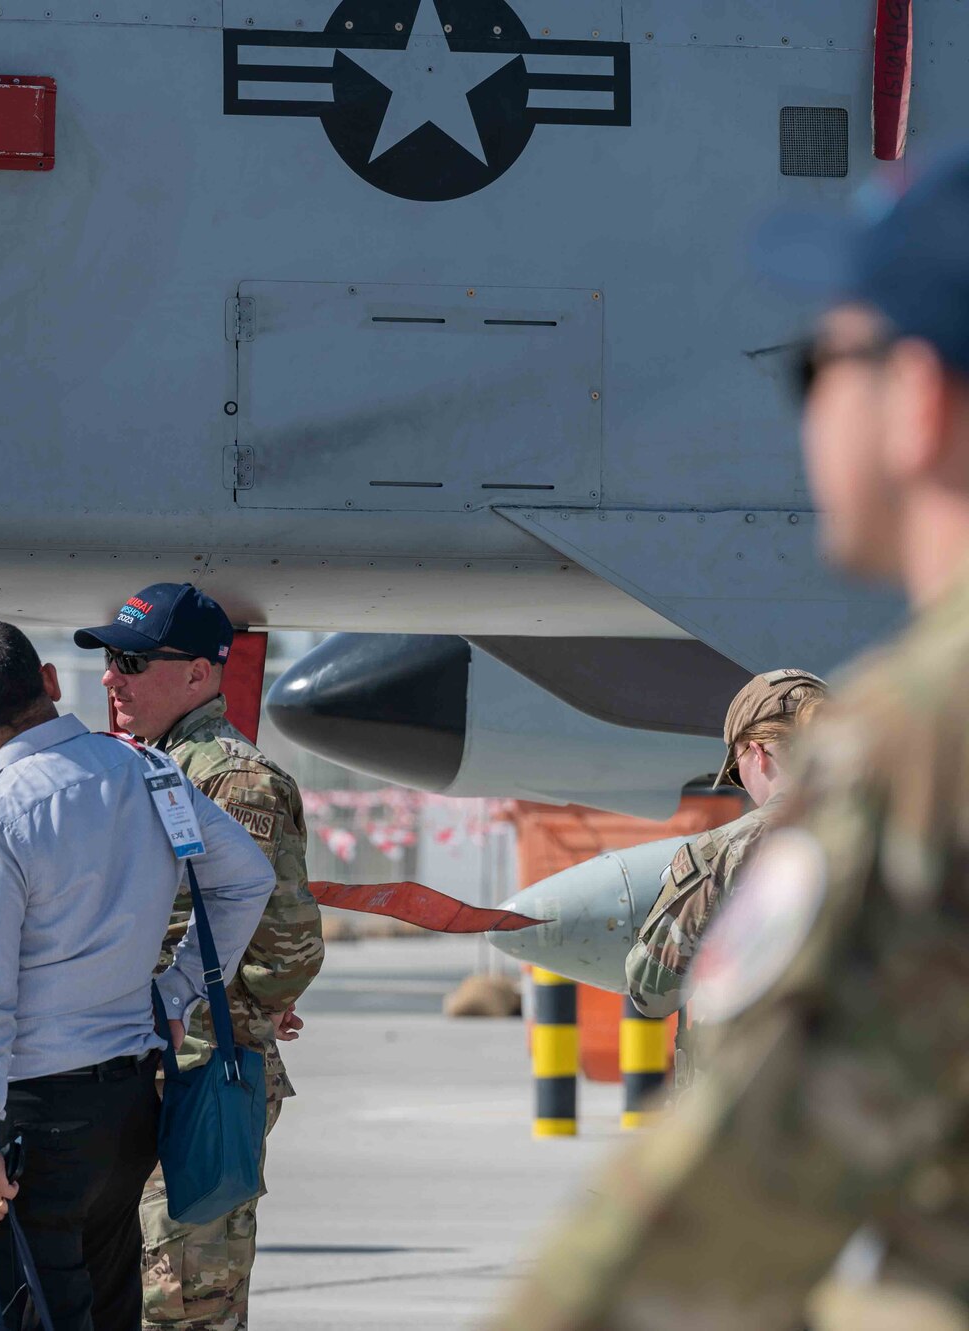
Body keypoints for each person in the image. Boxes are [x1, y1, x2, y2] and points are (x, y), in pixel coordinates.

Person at [492, 151, 969, 1329]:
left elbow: (735, 1195)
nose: (804, 407)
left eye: (817, 364)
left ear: (913, 399)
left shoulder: (921, 733)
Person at [0, 620, 276, 1331]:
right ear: (52, 684)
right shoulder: (149, 772)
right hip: (127, 1108)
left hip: (32, 1119)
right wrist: (175, 991)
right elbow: (247, 876)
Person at [77, 583, 326, 1331]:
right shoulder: (150, 766)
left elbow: (287, 944)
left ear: (197, 673)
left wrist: (252, 1008)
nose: (109, 676)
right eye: (110, 659)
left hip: (195, 1075)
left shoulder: (233, 780)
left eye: (130, 660)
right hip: (138, 1069)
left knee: (182, 1302)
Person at [624, 669, 827, 1030]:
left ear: (757, 753)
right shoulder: (908, 823)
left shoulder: (726, 850)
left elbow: (652, 991)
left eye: (736, 772)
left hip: (762, 1078)